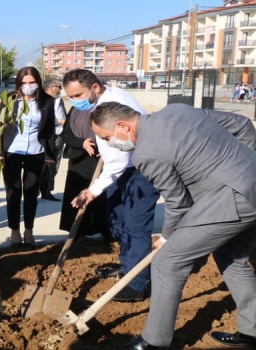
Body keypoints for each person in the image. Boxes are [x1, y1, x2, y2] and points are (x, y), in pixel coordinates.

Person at [90, 102, 256, 350]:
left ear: (123, 126)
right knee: (231, 256)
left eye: (107, 137)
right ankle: (252, 331)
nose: (110, 143)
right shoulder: (177, 110)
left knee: (168, 262)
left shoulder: (146, 153)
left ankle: (154, 342)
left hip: (233, 198)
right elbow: (241, 124)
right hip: (249, 187)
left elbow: (179, 203)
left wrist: (166, 238)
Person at [65, 69, 159, 301]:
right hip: (120, 171)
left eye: (78, 95)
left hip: (139, 169)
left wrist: (92, 190)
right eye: (70, 96)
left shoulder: (113, 104)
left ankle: (137, 285)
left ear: (95, 88)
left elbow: (118, 159)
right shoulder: (101, 102)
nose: (74, 101)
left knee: (136, 227)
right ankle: (128, 268)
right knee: (117, 220)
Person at [0, 67, 56, 248]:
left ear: (38, 82)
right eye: (24, 83)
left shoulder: (47, 101)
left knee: (31, 192)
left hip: (36, 152)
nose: (28, 86)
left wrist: (49, 154)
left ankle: (29, 230)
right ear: (19, 84)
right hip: (12, 152)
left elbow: (49, 130)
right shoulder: (10, 99)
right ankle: (14, 230)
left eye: (31, 82)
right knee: (13, 192)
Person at [59, 106, 110, 238]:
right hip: (79, 159)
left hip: (101, 158)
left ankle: (105, 230)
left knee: (101, 196)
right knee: (78, 193)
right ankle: (77, 232)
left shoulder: (107, 105)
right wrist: (82, 143)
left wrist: (105, 147)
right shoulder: (76, 109)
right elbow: (66, 134)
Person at [39, 77, 66, 202]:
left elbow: (63, 115)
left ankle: (47, 190)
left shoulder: (60, 101)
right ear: (50, 88)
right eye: (59, 87)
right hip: (46, 136)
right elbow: (40, 119)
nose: (61, 89)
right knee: (43, 165)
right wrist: (59, 121)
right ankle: (37, 190)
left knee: (55, 165)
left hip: (59, 135)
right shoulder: (40, 100)